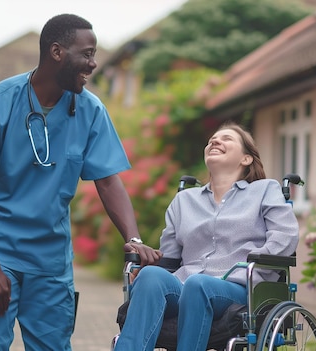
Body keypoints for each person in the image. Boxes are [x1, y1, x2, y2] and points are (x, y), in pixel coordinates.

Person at [0, 13, 162, 351]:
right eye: (87, 54)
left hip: (49, 257)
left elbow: (108, 181)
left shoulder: (90, 110)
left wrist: (133, 237)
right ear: (56, 52)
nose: (93, 64)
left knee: (53, 346)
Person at [113, 122, 299, 351]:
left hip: (238, 288)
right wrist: (148, 264)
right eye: (212, 139)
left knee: (198, 284)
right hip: (185, 285)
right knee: (152, 276)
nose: (215, 141)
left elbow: (285, 235)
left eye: (227, 139)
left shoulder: (264, 191)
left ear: (246, 159)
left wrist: (253, 266)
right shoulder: (184, 201)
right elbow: (169, 258)